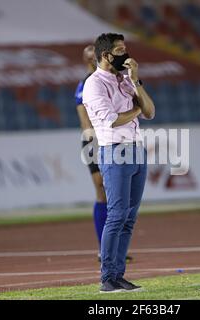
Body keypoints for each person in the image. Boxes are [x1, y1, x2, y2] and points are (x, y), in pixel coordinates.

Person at [82, 33, 155, 293]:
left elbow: (151, 111)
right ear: (106, 55)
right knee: (116, 215)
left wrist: (136, 81)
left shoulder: (125, 79)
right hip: (114, 151)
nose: (126, 54)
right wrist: (136, 109)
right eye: (120, 50)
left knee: (129, 218)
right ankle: (107, 278)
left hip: (136, 150)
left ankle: (118, 275)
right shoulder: (94, 84)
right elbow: (112, 119)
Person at [74, 45, 133, 263]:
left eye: (94, 57)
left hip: (114, 139)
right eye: (88, 58)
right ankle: (104, 248)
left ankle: (116, 246)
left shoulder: (111, 80)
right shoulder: (86, 85)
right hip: (95, 141)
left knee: (117, 194)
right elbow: (85, 122)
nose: (92, 61)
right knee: (102, 190)